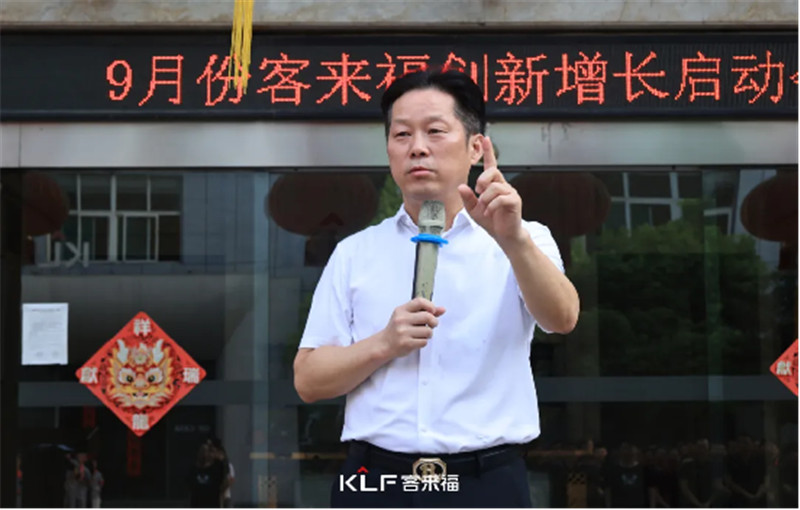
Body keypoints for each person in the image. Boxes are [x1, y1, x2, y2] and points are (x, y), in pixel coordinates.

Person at [293, 68, 579, 508]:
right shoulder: (355, 252)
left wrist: (512, 239)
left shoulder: (525, 237)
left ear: (476, 147)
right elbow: (308, 380)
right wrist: (383, 344)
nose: (417, 147)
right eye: (402, 134)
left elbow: (562, 319)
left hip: (486, 482)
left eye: (435, 131)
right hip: (377, 480)